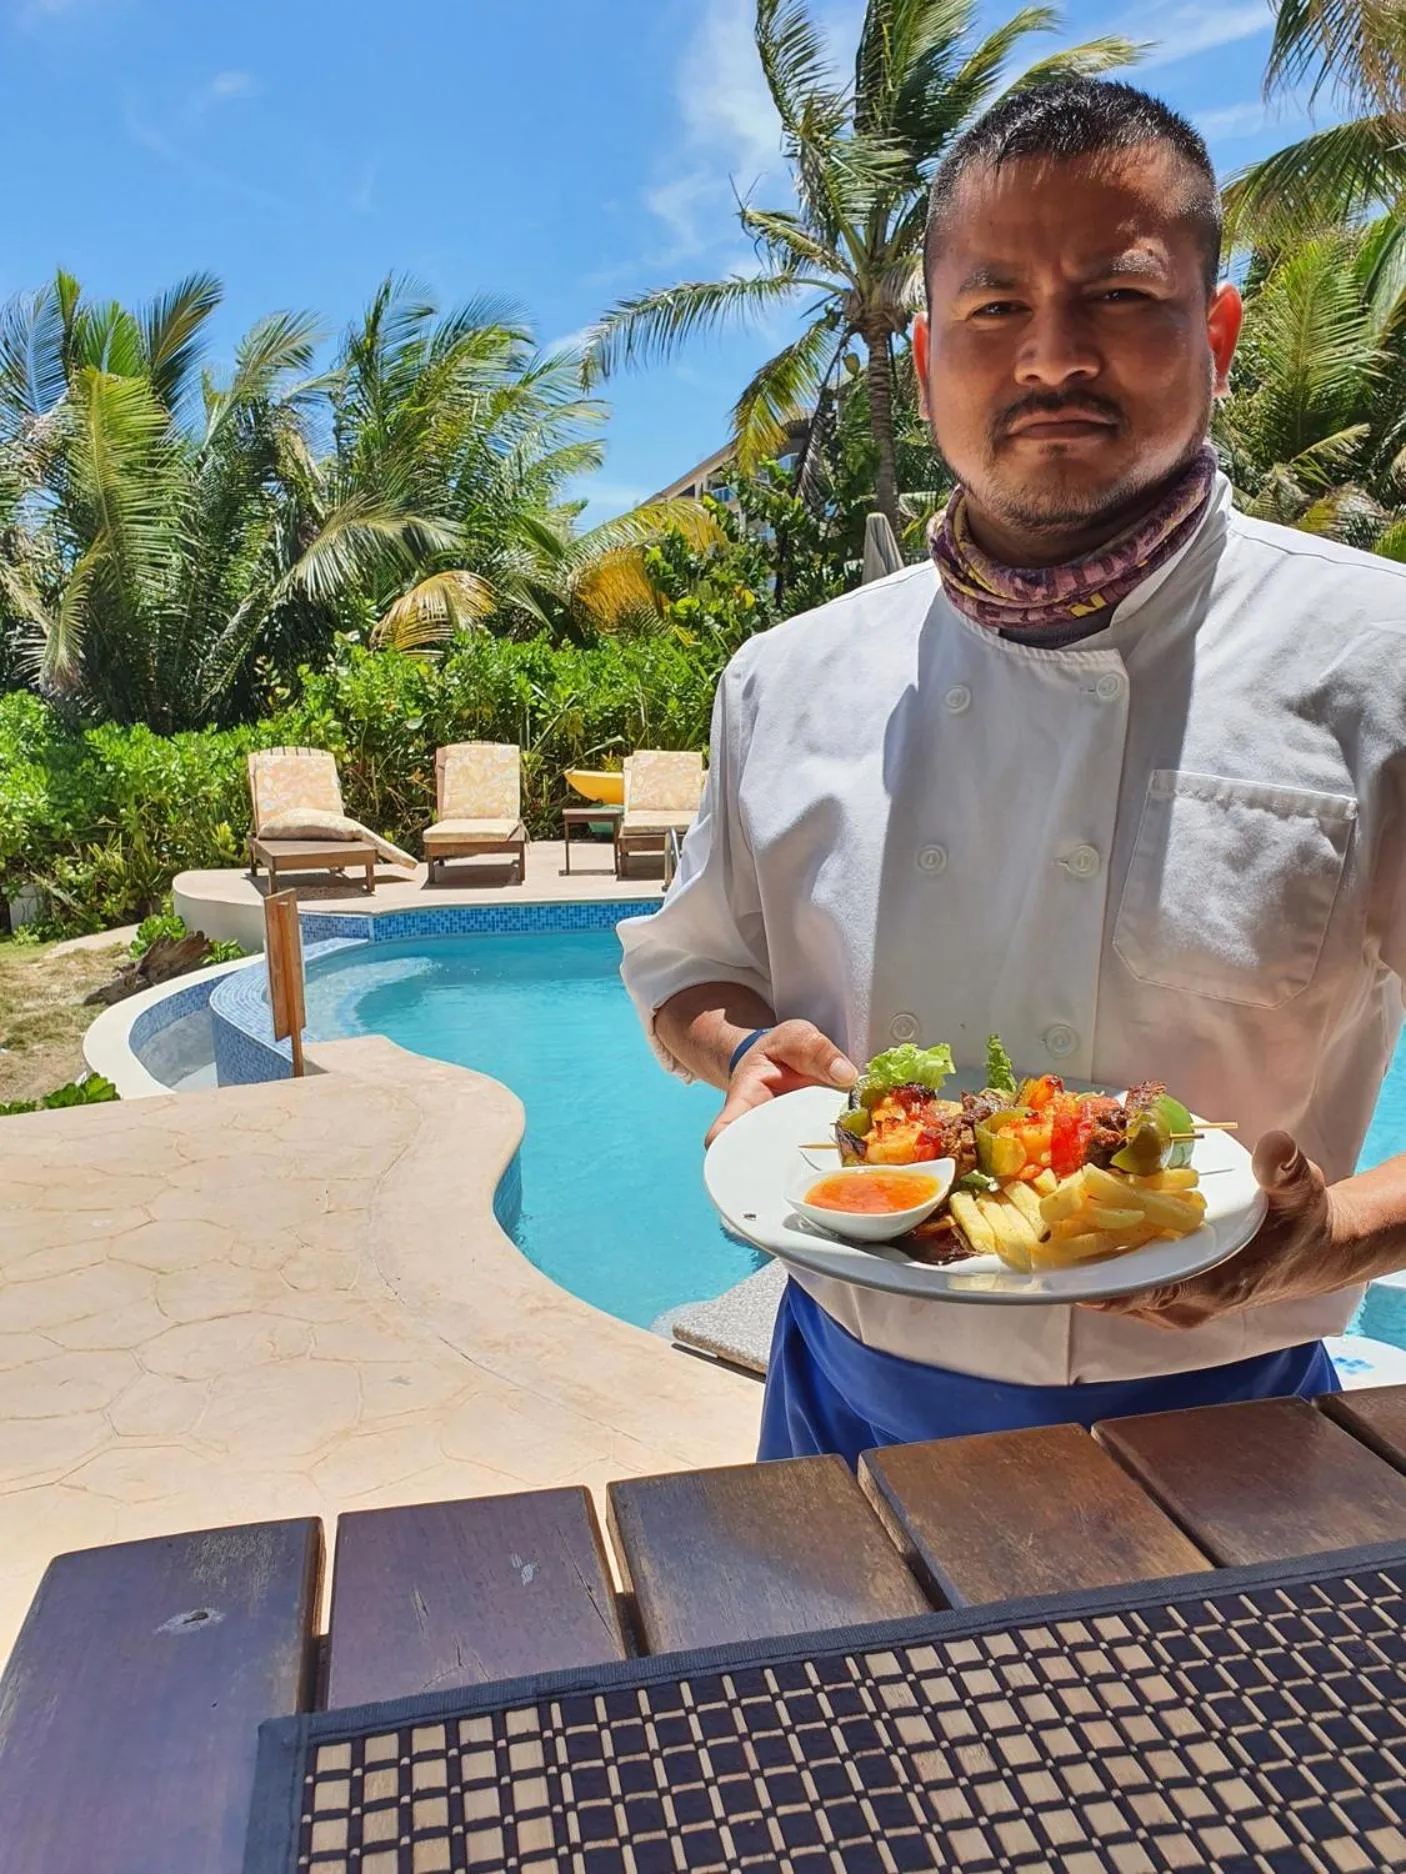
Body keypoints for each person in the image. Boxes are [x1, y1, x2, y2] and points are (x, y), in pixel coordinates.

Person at [619, 78, 1406, 1465]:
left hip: (1228, 1430)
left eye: (1118, 295)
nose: (1050, 356)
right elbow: (689, 969)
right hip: (839, 1404)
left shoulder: (1375, 656)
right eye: (993, 307)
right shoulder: (784, 678)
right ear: (928, 357)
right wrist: (741, 1052)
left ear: (1215, 333)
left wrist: (1330, 1234)